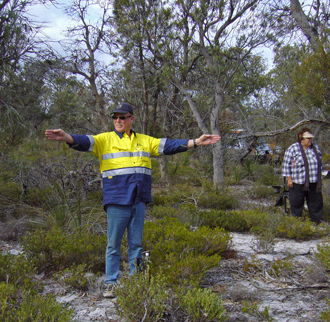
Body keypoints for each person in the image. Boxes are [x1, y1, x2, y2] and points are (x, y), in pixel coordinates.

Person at [45, 103, 221, 298]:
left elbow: (168, 145)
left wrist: (196, 141)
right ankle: (111, 282)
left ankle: (136, 282)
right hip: (117, 200)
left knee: (136, 244)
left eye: (123, 117)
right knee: (113, 244)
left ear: (131, 119)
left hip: (138, 199)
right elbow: (85, 142)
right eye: (115, 118)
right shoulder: (105, 139)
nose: (118, 121)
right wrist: (67, 137)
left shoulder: (145, 141)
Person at [281, 127, 323, 223]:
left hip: (314, 181)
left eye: (311, 138)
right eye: (308, 138)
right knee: (296, 203)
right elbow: (286, 165)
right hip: (298, 181)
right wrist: (289, 179)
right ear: (301, 138)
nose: (310, 140)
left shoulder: (315, 148)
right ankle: (296, 222)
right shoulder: (293, 149)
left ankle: (317, 222)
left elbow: (320, 164)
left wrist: (320, 178)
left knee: (316, 203)